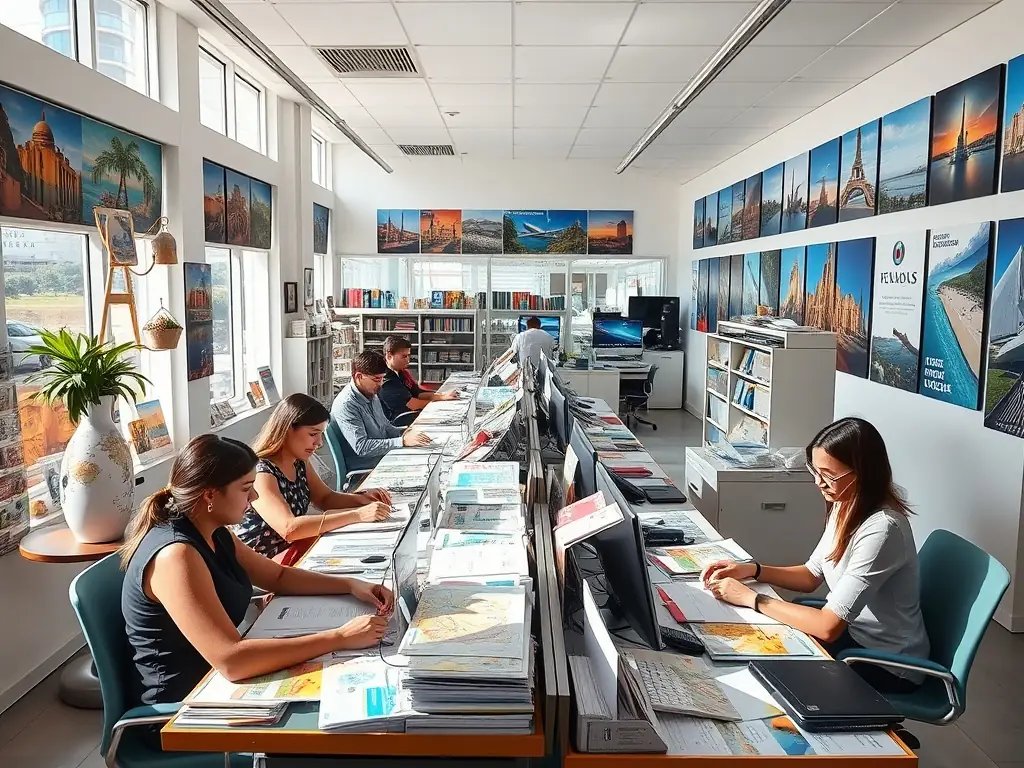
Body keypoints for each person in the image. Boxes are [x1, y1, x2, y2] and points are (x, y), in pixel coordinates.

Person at [120, 434, 393, 707]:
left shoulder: (214, 532)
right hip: (182, 710)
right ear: (210, 495)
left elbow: (278, 576)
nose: (254, 496)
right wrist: (339, 638)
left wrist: (350, 584)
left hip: (216, 682)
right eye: (245, 488)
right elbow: (232, 660)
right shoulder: (176, 555)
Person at [701, 417, 929, 693]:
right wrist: (752, 569)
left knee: (769, 674)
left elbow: (827, 627)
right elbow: (811, 575)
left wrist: (750, 598)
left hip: (886, 663)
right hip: (854, 637)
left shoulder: (883, 529)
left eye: (829, 475)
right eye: (815, 471)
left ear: (863, 473)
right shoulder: (846, 503)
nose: (819, 483)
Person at [235, 393, 394, 562]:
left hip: (292, 549)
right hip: (262, 563)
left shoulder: (299, 462)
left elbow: (325, 498)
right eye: (313, 434)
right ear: (288, 429)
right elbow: (289, 529)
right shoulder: (262, 473)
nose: (319, 443)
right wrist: (357, 515)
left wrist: (362, 499)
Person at [331, 350, 431, 472]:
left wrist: (406, 432)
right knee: (424, 465)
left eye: (382, 379)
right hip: (366, 464)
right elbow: (362, 447)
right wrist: (402, 441)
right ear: (359, 377)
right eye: (376, 379)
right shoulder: (346, 405)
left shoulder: (370, 393)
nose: (380, 385)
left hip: (383, 454)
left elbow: (385, 427)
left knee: (429, 454)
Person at [379, 335, 458, 422]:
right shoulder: (386, 380)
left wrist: (443, 396)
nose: (408, 360)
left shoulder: (400, 372)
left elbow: (418, 393)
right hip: (400, 420)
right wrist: (441, 403)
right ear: (389, 356)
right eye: (404, 356)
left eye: (408, 355)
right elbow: (412, 404)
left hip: (413, 414)